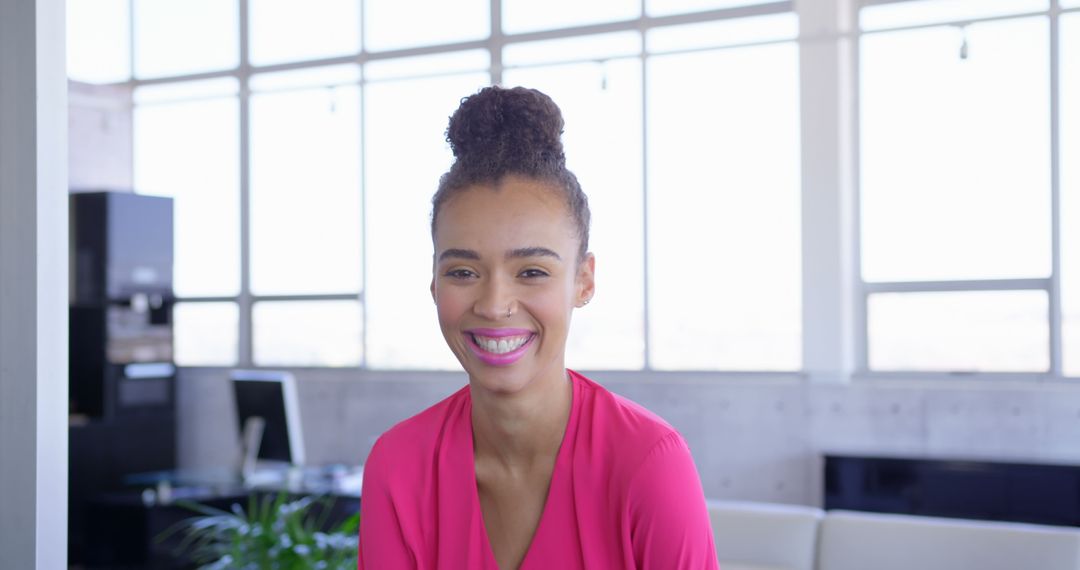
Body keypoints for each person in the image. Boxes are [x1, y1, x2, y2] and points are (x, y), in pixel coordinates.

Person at [358, 86, 718, 570]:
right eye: (463, 272)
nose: (493, 305)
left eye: (531, 271)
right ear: (434, 281)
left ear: (583, 281)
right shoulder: (398, 466)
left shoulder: (648, 463)